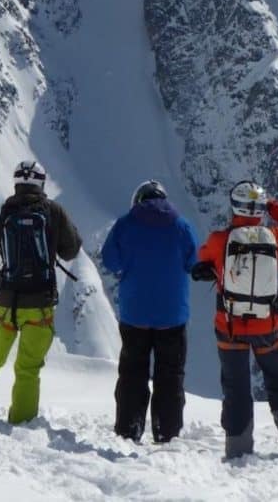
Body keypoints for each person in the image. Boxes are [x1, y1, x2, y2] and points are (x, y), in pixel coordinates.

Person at [0, 160, 82, 424]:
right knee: (28, 369)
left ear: (17, 183)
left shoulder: (7, 213)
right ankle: (21, 422)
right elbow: (71, 250)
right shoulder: (53, 211)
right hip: (40, 307)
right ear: (41, 183)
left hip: (6, 305)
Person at [191, 180, 278, 462]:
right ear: (259, 209)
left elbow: (203, 257)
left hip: (230, 327)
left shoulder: (219, 240)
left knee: (236, 388)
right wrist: (273, 207)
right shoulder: (277, 237)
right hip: (269, 326)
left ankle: (238, 450)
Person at [101, 180, 199, 444]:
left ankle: (128, 429)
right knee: (171, 374)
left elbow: (110, 260)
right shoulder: (182, 226)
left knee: (132, 373)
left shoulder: (125, 224)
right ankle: (167, 432)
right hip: (173, 315)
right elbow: (193, 261)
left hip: (135, 314)